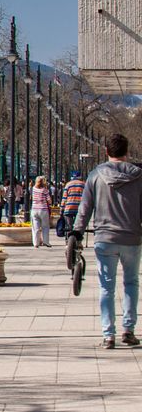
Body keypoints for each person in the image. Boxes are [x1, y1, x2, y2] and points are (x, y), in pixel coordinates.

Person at [72, 133, 142, 350]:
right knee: (131, 283)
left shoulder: (95, 176)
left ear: (106, 151)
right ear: (127, 151)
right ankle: (128, 330)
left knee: (106, 287)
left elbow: (84, 209)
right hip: (132, 237)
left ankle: (108, 334)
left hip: (104, 239)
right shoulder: (139, 176)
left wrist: (77, 232)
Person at [58, 170, 85, 238]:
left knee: (69, 226)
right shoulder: (83, 184)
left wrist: (61, 208)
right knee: (78, 226)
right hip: (79, 208)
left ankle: (68, 240)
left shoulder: (68, 185)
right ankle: (78, 240)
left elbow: (64, 198)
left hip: (69, 208)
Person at [29, 175, 53, 248]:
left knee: (35, 228)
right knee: (45, 227)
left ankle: (36, 243)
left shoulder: (33, 189)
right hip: (43, 210)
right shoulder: (44, 190)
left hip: (34, 209)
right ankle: (46, 242)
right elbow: (49, 201)